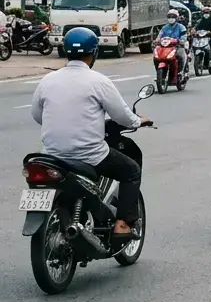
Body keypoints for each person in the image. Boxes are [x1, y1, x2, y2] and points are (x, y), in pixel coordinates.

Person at [31, 27, 149, 238]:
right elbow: (122, 116)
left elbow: (38, 115)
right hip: (89, 155)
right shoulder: (99, 81)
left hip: (50, 156)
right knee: (131, 171)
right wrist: (138, 121)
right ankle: (123, 224)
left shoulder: (47, 80)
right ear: (93, 53)